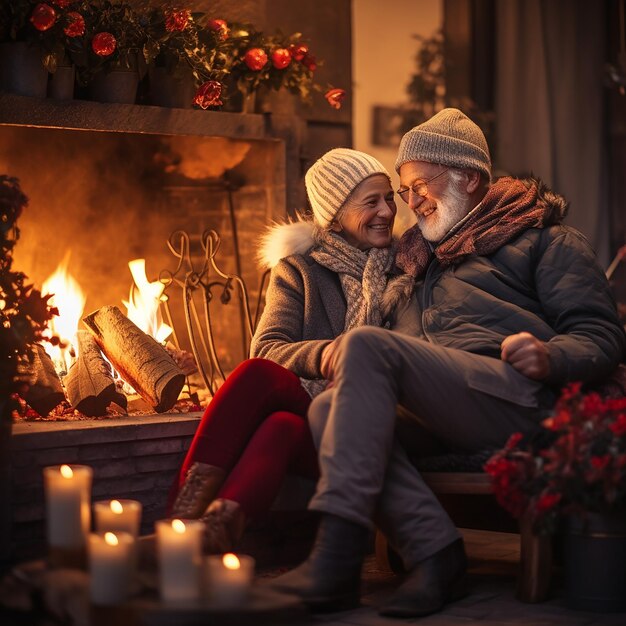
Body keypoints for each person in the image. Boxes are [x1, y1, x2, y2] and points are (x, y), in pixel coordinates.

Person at [268, 108, 626, 617]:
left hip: (521, 398)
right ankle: (438, 556)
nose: (407, 204)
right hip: (445, 404)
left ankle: (335, 559)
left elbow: (603, 334)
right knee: (326, 411)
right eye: (403, 190)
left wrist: (548, 356)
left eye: (417, 187)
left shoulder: (544, 239)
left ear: (469, 177)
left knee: (366, 344)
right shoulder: (419, 260)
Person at [167, 148, 413, 552]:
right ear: (334, 214)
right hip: (316, 417)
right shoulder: (301, 270)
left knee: (274, 410)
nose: (387, 211)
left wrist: (360, 362)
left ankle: (174, 532)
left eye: (389, 198)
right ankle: (195, 531)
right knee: (274, 408)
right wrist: (325, 354)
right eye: (372, 202)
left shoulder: (406, 270)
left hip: (373, 424)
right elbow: (267, 348)